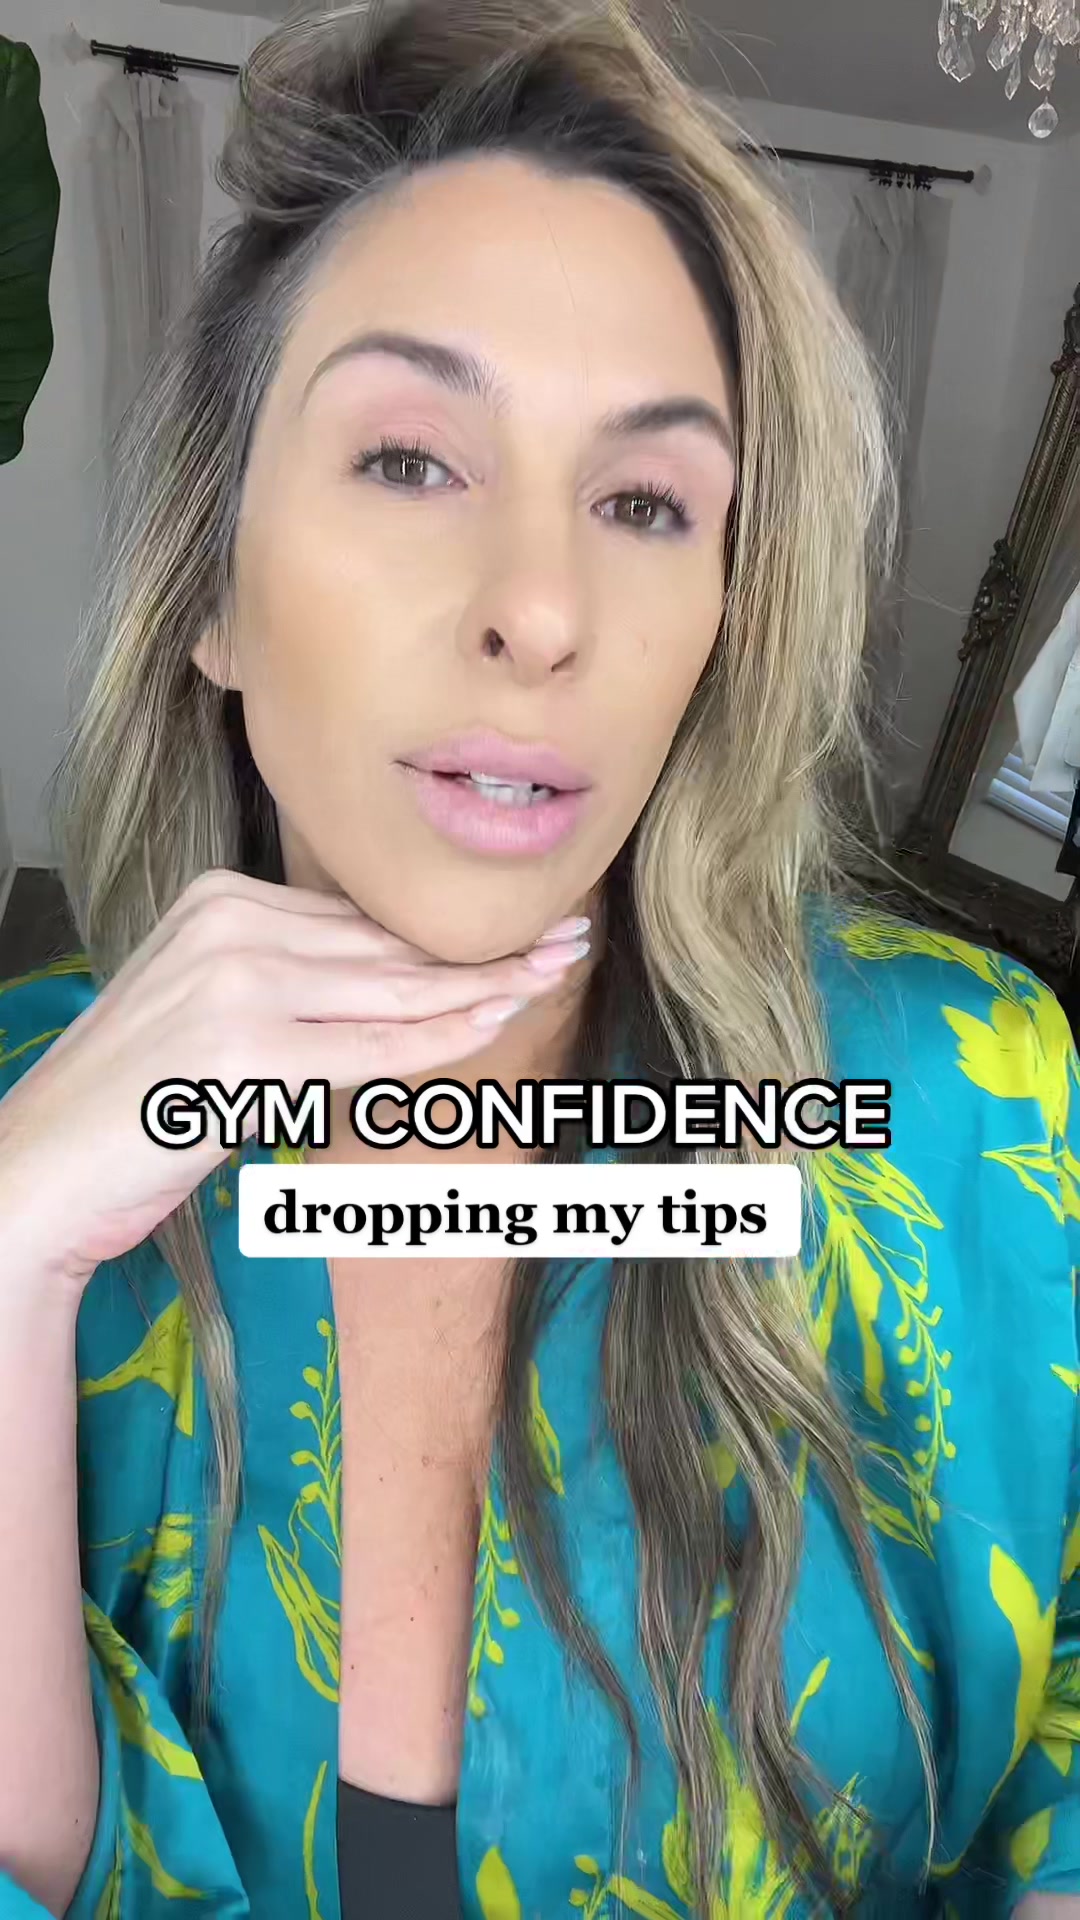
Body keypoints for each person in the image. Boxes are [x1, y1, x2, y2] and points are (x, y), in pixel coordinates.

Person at [0, 1, 1077, 1914]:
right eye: (413, 460)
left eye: (647, 502)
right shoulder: (27, 1115)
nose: (542, 610)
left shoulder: (968, 1101)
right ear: (211, 587)